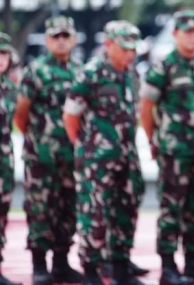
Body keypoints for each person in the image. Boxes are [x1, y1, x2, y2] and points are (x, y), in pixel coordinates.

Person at [63, 21, 144, 285]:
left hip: (126, 156)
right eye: (124, 48)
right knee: (95, 215)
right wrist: (85, 147)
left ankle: (120, 269)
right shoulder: (91, 74)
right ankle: (91, 271)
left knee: (126, 211)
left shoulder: (132, 74)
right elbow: (70, 116)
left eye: (133, 49)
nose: (130, 54)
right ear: (108, 45)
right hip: (96, 160)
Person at [140, 10, 194, 285]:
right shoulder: (164, 66)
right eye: (187, 31)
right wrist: (153, 139)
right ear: (175, 34)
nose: (192, 35)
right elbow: (146, 107)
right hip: (174, 151)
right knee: (172, 210)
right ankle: (169, 268)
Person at [14, 16, 84, 285]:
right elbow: (21, 114)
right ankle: (39, 265)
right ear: (47, 40)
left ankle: (61, 262)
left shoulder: (81, 71)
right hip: (42, 158)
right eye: (56, 36)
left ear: (74, 39)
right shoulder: (36, 71)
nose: (61, 41)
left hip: (71, 156)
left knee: (69, 209)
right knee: (41, 209)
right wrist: (37, 142)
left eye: (66, 35)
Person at [0, 33, 19, 285]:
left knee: (2, 214)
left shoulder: (10, 88)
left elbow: (20, 119)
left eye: (4, 54)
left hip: (4, 161)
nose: (0, 59)